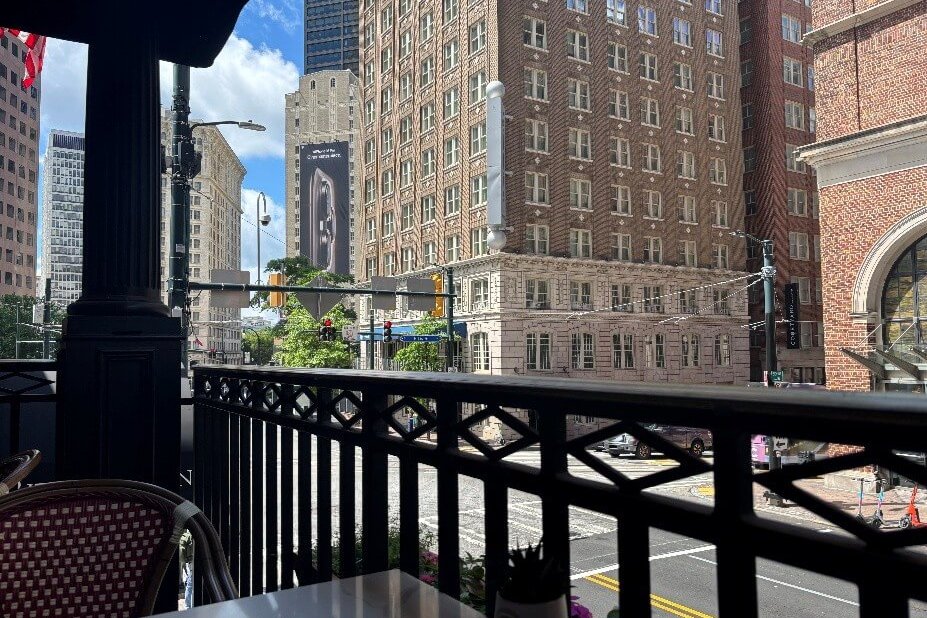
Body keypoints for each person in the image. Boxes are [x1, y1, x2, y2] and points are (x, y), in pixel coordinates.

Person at [179, 529, 194, 609]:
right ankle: (188, 606)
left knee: (190, 583)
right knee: (190, 583)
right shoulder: (190, 535)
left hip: (190, 561)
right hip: (192, 561)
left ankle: (188, 606)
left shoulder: (188, 535)